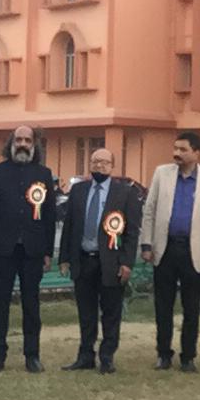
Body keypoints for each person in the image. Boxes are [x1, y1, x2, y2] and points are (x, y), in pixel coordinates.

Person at [140, 131, 200, 372]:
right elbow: (149, 210)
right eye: (175, 148)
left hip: (193, 251)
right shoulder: (162, 173)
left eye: (183, 149)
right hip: (165, 249)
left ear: (196, 153)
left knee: (191, 307)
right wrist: (146, 244)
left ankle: (188, 356)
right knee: (163, 306)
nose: (177, 153)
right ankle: (163, 353)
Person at [0, 124, 56, 373]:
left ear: (34, 144)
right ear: (11, 143)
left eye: (27, 140)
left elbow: (49, 216)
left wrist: (48, 252)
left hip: (33, 251)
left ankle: (32, 355)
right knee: (0, 305)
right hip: (2, 250)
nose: (22, 144)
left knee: (31, 305)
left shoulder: (44, 174)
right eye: (18, 139)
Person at [58, 148, 142, 373]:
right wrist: (65, 257)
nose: (99, 165)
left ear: (112, 166)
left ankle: (107, 357)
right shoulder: (78, 190)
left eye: (104, 162)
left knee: (111, 313)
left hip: (111, 262)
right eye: (95, 161)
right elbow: (69, 226)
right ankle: (85, 355)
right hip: (83, 260)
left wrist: (127, 263)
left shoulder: (125, 193)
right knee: (86, 313)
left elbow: (132, 232)